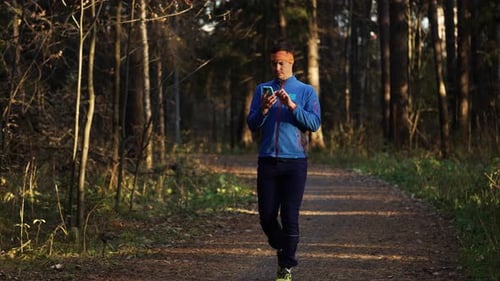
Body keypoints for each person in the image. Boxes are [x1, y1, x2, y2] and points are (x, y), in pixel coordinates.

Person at [246, 40, 321, 281]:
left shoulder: (307, 91)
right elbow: (252, 124)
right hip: (267, 161)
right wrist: (264, 110)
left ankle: (285, 267)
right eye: (273, 63)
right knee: (267, 218)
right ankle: (284, 248)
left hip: (295, 162)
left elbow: (314, 124)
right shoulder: (262, 90)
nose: (277, 67)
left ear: (291, 62)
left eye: (281, 63)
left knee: (290, 216)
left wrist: (291, 105)